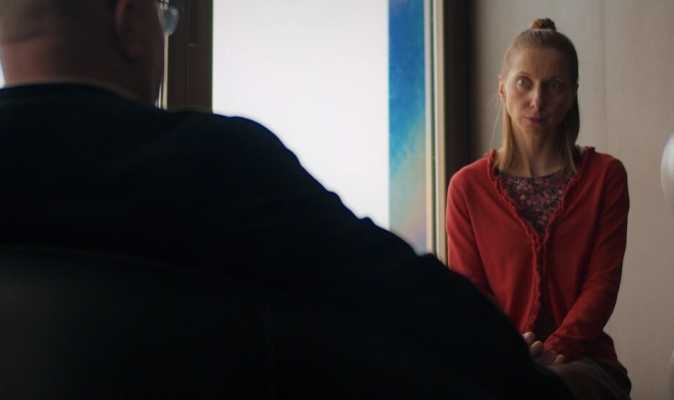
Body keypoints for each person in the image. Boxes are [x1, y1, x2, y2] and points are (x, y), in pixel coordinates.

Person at [0, 1, 575, 399]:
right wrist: (525, 374)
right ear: (128, 22)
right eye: (163, 16)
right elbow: (396, 291)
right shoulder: (215, 162)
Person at [446, 18, 632, 400]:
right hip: (497, 364)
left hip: (585, 364)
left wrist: (550, 354)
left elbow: (601, 287)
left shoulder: (605, 177)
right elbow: (471, 298)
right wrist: (514, 357)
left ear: (573, 94)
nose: (537, 100)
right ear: (502, 87)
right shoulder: (466, 188)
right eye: (524, 83)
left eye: (554, 86)